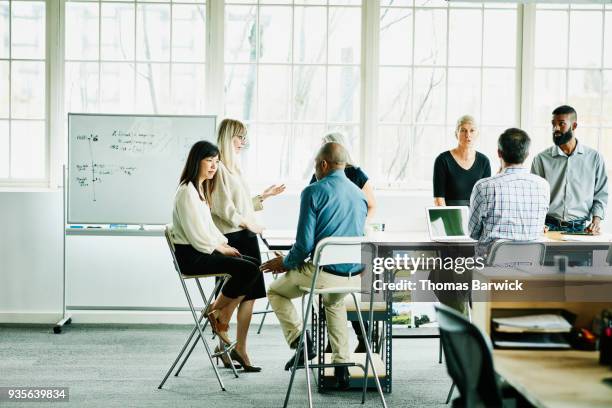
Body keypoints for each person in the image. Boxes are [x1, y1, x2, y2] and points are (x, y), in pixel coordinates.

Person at [260, 142, 367, 390]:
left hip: (324, 275)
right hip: (354, 275)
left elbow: (304, 245)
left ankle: (300, 341)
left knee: (276, 291)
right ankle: (342, 368)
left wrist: (284, 263)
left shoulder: (312, 191)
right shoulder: (359, 194)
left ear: (323, 164)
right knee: (334, 302)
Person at [169, 140, 263, 371]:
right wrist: (221, 248)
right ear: (196, 161)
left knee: (253, 265)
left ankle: (215, 310)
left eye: (216, 162)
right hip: (193, 256)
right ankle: (215, 312)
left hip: (203, 249)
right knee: (248, 268)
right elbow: (197, 235)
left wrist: (223, 244)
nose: (213, 166)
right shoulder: (186, 192)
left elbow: (209, 228)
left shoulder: (200, 190)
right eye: (209, 161)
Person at [210, 118, 285, 371]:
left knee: (250, 297)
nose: (243, 142)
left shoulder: (234, 168)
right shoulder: (218, 167)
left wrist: (264, 196)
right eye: (239, 137)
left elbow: (239, 205)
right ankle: (225, 339)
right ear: (228, 136)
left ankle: (236, 347)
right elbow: (223, 209)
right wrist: (248, 224)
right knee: (236, 292)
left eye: (244, 138)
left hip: (246, 236)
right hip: (233, 239)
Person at [469, 128, 550, 259]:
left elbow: (473, 233)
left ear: (499, 153)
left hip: (489, 267)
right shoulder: (543, 185)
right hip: (530, 267)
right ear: (527, 154)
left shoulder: (483, 186)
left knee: (449, 267)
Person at [531, 105, 608, 234]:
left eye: (561, 124)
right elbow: (534, 197)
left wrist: (596, 222)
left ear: (574, 125)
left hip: (581, 228)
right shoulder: (541, 159)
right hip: (547, 227)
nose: (556, 129)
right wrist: (537, 223)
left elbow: (600, 195)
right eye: (553, 124)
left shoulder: (595, 158)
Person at [309, 132, 376, 221]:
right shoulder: (317, 175)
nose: (322, 152)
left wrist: (362, 225)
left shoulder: (356, 174)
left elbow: (372, 205)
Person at [433, 115, 491, 207]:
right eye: (463, 130)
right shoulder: (442, 160)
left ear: (477, 134)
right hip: (451, 216)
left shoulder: (484, 161)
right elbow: (438, 199)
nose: (468, 135)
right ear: (456, 133)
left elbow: (486, 198)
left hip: (476, 217)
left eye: (472, 131)